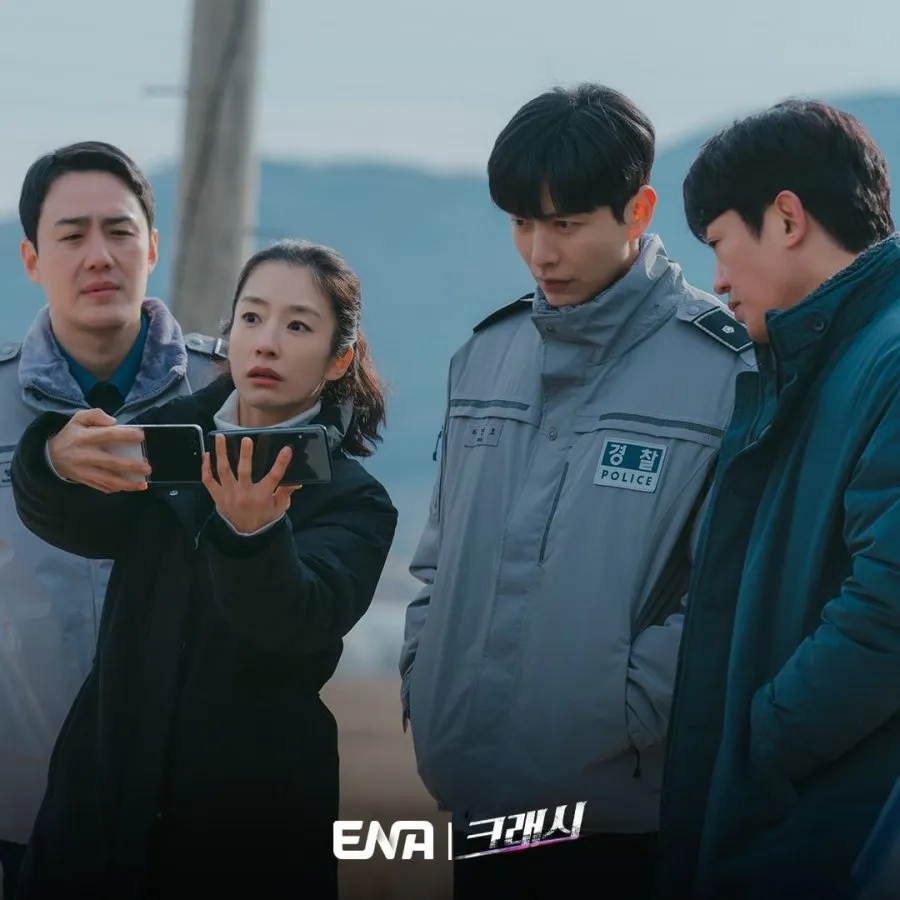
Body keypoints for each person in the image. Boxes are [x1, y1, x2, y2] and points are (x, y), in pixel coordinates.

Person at [398, 83, 756, 900]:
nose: (540, 253)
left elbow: (726, 589)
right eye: (522, 224)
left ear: (638, 210)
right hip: (476, 792)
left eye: (565, 225)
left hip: (619, 811)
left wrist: (625, 710)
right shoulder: (483, 357)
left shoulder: (725, 371)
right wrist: (426, 675)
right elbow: (438, 559)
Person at [10, 238, 398, 899]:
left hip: (251, 825)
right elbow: (77, 523)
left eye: (297, 326)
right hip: (102, 793)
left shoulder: (355, 501)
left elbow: (294, 622)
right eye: (252, 317)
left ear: (339, 359)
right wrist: (50, 461)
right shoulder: (161, 442)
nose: (267, 343)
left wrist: (253, 535)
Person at [653, 100, 900, 900]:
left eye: (720, 244)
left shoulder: (886, 358)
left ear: (787, 218)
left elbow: (889, 608)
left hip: (832, 824)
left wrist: (762, 741)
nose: (718, 281)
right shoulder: (820, 357)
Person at [0, 141, 224, 898]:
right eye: (71, 235)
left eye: (120, 231)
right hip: (25, 806)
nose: (99, 255)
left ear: (152, 246)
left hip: (193, 811)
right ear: (32, 259)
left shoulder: (235, 390)